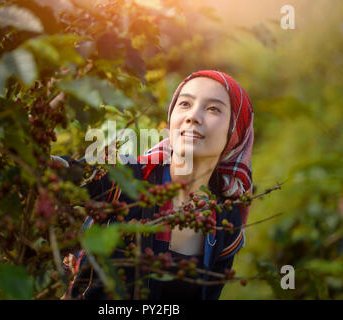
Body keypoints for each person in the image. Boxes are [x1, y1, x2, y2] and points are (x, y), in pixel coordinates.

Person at [57, 69, 254, 300]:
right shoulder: (127, 178)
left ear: (235, 133)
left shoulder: (226, 222)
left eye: (213, 109)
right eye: (185, 104)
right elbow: (65, 174)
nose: (193, 116)